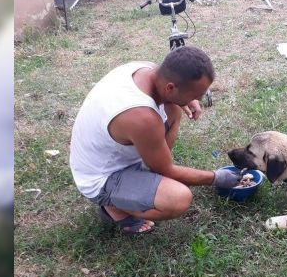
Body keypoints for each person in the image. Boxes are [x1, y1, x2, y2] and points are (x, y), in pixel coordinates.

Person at [69, 46, 241, 234]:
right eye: (195, 95)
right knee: (178, 199)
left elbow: (172, 97)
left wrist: (186, 99)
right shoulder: (142, 117)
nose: (198, 100)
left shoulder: (148, 70)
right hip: (102, 177)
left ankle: (146, 176)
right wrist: (216, 177)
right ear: (170, 87)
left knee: (174, 107)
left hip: (117, 154)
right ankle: (114, 207)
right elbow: (166, 169)